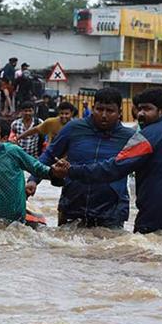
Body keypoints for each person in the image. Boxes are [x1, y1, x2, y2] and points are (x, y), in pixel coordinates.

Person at [52, 88, 162, 234]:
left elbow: (113, 169)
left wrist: (72, 171)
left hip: (156, 221)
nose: (140, 114)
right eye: (139, 109)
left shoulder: (147, 136)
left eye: (147, 109)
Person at [26, 88, 135, 229]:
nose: (103, 115)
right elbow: (49, 155)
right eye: (99, 109)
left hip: (111, 212)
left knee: (110, 248)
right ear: (92, 108)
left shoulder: (129, 137)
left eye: (110, 111)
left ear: (119, 112)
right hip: (72, 205)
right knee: (66, 248)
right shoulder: (74, 128)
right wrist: (33, 180)